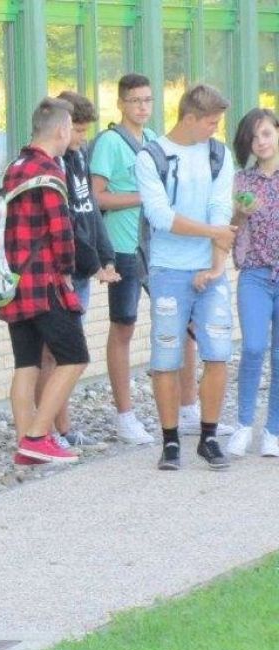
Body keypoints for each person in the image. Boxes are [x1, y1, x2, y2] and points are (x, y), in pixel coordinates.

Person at [136, 84, 237, 471]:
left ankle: (208, 438)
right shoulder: (152, 156)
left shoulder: (218, 154)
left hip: (210, 270)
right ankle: (171, 442)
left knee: (218, 353)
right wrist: (214, 233)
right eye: (211, 122)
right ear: (190, 118)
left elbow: (220, 207)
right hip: (167, 270)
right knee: (166, 358)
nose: (216, 129)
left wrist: (215, 266)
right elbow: (160, 217)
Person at [0, 97, 89, 465]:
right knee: (74, 357)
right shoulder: (50, 171)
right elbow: (61, 232)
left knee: (26, 364)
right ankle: (38, 436)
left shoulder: (15, 166)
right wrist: (68, 271)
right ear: (62, 130)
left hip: (13, 281)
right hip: (44, 282)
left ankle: (25, 445)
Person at [41, 90, 122, 449]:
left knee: (67, 354)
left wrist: (106, 256)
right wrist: (93, 264)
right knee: (53, 354)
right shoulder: (49, 165)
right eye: (78, 131)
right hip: (59, 271)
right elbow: (66, 223)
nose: (82, 138)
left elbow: (89, 212)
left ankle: (62, 428)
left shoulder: (77, 157)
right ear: (62, 126)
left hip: (80, 271)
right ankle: (47, 430)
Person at [90, 74, 160, 445]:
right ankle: (125, 415)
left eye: (147, 100)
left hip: (154, 246)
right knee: (123, 327)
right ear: (121, 103)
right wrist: (141, 197)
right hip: (122, 247)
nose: (142, 107)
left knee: (177, 322)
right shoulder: (110, 143)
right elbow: (97, 196)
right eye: (135, 101)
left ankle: (186, 407)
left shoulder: (153, 140)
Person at [226, 108, 279, 458]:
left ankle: (273, 431)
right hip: (255, 275)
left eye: (266, 134)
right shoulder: (241, 181)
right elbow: (229, 230)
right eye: (253, 137)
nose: (260, 142)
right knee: (254, 347)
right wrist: (239, 214)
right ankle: (244, 424)